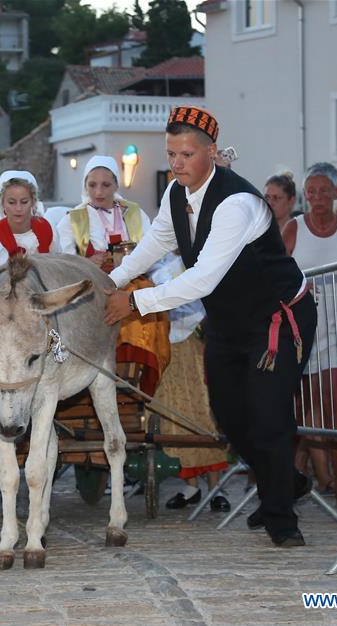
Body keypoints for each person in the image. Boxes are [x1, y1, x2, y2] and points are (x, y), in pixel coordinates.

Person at [104, 105, 316, 547]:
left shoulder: (237, 203)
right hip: (228, 324)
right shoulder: (175, 195)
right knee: (231, 417)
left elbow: (202, 277)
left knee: (267, 418)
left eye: (186, 154)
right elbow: (154, 245)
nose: (177, 163)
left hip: (277, 322)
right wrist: (110, 281)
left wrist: (135, 303)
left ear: (212, 153)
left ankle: (282, 520)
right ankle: (286, 481)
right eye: (171, 154)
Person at [282, 162, 337, 511]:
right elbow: (278, 274)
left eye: (322, 191)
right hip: (300, 330)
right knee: (297, 411)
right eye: (310, 191)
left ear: (336, 193)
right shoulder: (293, 228)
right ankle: (292, 483)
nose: (316, 198)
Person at [151, 252, 230, 512]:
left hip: (200, 340)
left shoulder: (205, 253)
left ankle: (217, 486)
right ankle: (192, 485)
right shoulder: (157, 260)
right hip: (169, 343)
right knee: (177, 414)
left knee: (207, 410)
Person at [57, 155, 152, 269]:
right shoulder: (72, 220)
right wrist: (86, 263)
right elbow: (61, 263)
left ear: (116, 185)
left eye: (106, 185)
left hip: (134, 283)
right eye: (92, 185)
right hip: (94, 284)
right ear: (85, 186)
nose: (98, 192)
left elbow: (152, 253)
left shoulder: (135, 214)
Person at [0, 170, 58, 272]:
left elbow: (59, 269)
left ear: (33, 202)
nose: (18, 208)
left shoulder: (47, 229)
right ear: (2, 204)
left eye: (24, 202)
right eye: (12, 202)